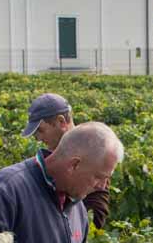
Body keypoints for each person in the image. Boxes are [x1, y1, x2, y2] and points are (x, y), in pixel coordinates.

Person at [21, 92, 111, 228]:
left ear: (61, 122)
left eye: (41, 131)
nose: (38, 138)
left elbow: (96, 212)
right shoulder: (51, 155)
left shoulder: (94, 154)